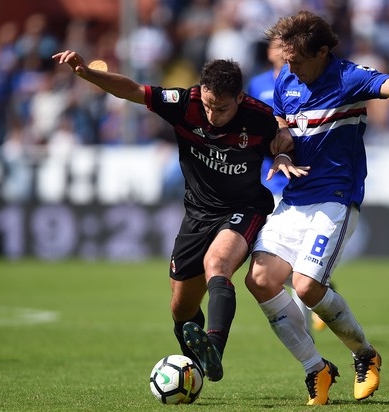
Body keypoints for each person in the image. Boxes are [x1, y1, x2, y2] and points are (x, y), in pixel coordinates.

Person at [244, 11, 389, 406]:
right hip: (294, 201)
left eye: (297, 60)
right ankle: (315, 368)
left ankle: (364, 354)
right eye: (287, 59)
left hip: (335, 200)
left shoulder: (349, 78)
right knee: (260, 281)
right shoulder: (287, 77)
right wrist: (281, 150)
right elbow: (282, 125)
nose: (289, 67)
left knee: (306, 286)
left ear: (323, 52)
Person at [52, 51, 308, 382]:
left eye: (222, 108)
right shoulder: (184, 103)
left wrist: (284, 154)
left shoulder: (258, 117)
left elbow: (285, 139)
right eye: (208, 105)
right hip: (198, 213)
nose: (213, 115)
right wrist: (88, 73)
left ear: (239, 98)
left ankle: (214, 348)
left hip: (244, 209)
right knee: (181, 308)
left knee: (217, 264)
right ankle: (194, 370)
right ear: (201, 92)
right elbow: (131, 90)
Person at [248, 38, 330, 333]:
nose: (280, 51)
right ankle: (316, 291)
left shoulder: (305, 81)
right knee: (270, 254)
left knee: (294, 257)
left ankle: (312, 301)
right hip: (269, 177)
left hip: (299, 176)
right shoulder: (257, 84)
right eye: (275, 46)